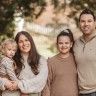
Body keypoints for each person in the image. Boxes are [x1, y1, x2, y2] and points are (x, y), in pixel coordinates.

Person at [41, 29, 78, 96]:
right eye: (60, 43)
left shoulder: (76, 59)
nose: (63, 46)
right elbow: (46, 84)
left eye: (66, 43)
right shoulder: (51, 62)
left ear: (71, 44)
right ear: (57, 45)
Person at [10, 31, 48, 96]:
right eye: (20, 42)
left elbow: (41, 80)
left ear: (31, 41)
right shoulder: (11, 60)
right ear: (17, 45)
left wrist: (20, 84)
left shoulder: (41, 60)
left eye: (26, 40)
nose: (24, 43)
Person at [73, 9, 96, 96]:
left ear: (95, 23)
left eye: (89, 21)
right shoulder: (76, 43)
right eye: (83, 21)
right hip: (80, 92)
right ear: (79, 23)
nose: (86, 24)